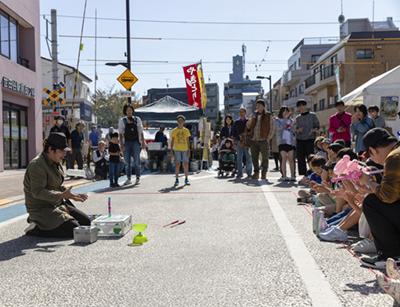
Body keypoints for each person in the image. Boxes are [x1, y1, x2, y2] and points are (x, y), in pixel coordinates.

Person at [23, 132, 90, 238]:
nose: (64, 154)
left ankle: (46, 223)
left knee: (86, 222)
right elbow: (37, 192)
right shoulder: (37, 165)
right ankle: (36, 227)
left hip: (56, 203)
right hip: (41, 208)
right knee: (73, 229)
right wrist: (62, 195)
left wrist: (72, 195)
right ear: (50, 149)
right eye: (62, 151)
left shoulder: (55, 160)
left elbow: (56, 186)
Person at [357, 128, 400, 269]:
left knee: (371, 203)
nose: (375, 162)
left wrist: (369, 181)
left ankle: (390, 255)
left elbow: (387, 196)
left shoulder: (393, 157)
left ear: (373, 150)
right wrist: (371, 189)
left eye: (371, 157)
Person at [246, 99, 275, 180]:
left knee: (265, 157)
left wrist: (269, 137)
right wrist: (251, 119)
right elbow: (248, 126)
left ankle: (264, 172)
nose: (257, 107)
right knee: (254, 157)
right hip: (253, 139)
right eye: (257, 105)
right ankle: (256, 172)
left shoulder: (268, 115)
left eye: (259, 105)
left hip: (263, 139)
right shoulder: (254, 115)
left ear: (263, 106)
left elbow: (272, 128)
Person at [118, 103, 146, 186]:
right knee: (127, 162)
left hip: (135, 142)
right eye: (127, 110)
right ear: (125, 112)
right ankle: (128, 178)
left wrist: (143, 142)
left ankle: (138, 177)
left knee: (137, 160)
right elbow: (120, 133)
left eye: (130, 110)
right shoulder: (122, 120)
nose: (129, 112)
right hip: (126, 142)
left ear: (132, 111)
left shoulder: (137, 119)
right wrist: (121, 144)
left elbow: (141, 131)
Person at [294, 99, 320, 176]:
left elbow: (317, 126)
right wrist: (298, 130)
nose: (301, 107)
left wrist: (313, 130)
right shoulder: (297, 118)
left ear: (305, 105)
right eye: (299, 106)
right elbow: (295, 129)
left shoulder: (312, 115)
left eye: (302, 105)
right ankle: (302, 174)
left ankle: (312, 172)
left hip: (310, 138)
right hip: (300, 139)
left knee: (311, 157)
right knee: (300, 158)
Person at [274, 106, 296, 181]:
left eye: (287, 111)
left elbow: (293, 131)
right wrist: (285, 119)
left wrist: (294, 125)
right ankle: (284, 175)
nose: (286, 112)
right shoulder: (277, 120)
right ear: (281, 112)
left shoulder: (291, 120)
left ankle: (293, 175)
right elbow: (279, 128)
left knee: (291, 159)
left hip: (290, 141)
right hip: (282, 141)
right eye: (284, 111)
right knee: (284, 158)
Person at [170, 115, 191, 186]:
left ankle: (186, 178)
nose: (180, 122)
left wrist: (189, 150)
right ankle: (176, 179)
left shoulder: (186, 130)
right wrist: (171, 150)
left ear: (184, 122)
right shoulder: (174, 131)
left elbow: (188, 141)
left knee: (185, 164)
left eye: (181, 120)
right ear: (177, 122)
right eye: (179, 120)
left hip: (185, 149)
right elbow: (172, 141)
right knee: (177, 164)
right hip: (177, 149)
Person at [232, 107, 252, 178]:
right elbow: (234, 133)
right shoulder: (236, 122)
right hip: (238, 141)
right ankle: (240, 173)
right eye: (240, 111)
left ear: (246, 113)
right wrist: (234, 142)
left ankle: (249, 172)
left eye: (243, 111)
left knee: (248, 157)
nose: (241, 113)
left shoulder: (249, 121)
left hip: (247, 141)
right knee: (239, 158)